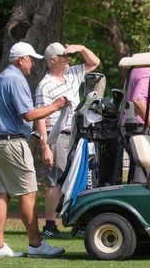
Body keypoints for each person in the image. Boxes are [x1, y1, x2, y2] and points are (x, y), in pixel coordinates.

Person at [0, 39, 69, 258]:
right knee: (28, 192)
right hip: (12, 142)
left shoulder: (1, 78)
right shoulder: (16, 79)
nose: (32, 64)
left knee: (2, 193)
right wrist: (56, 105)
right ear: (21, 60)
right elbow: (28, 114)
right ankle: (36, 244)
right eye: (30, 59)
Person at [34, 42, 100, 238]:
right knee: (59, 180)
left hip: (76, 133)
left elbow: (94, 62)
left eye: (67, 55)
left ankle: (77, 220)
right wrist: (45, 146)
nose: (67, 58)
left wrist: (81, 48)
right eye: (62, 56)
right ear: (52, 60)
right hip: (58, 135)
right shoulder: (44, 85)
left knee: (78, 177)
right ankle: (49, 225)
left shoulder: (72, 73)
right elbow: (40, 118)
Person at [124, 42, 150, 182]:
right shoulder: (148, 73)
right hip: (141, 128)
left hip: (139, 127)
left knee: (149, 172)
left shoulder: (138, 69)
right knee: (148, 176)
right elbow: (138, 100)